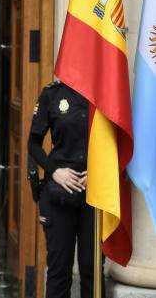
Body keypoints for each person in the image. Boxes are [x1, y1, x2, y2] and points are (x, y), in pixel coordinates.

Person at [28, 80, 100, 298]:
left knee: (92, 270)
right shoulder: (53, 94)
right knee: (59, 271)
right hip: (59, 194)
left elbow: (119, 141)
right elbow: (33, 143)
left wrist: (100, 172)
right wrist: (55, 171)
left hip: (96, 194)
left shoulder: (104, 93)